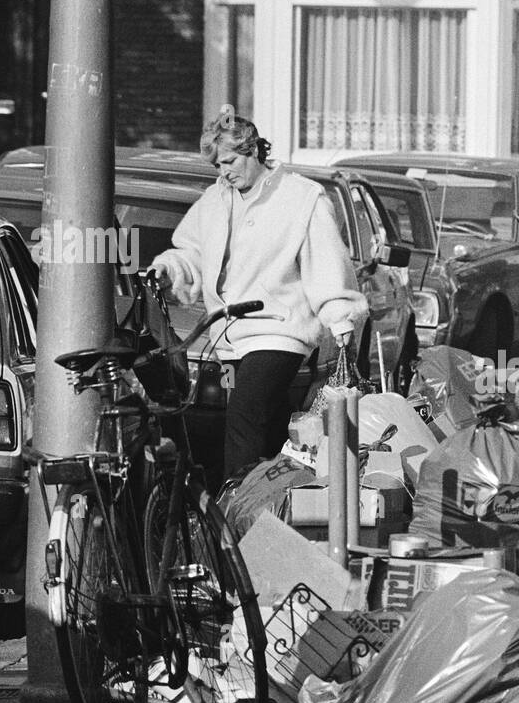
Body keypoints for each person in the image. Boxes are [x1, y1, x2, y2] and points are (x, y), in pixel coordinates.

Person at [152, 110, 367, 479]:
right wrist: (169, 268)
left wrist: (339, 314)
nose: (224, 172)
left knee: (245, 413)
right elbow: (191, 252)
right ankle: (272, 496)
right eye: (218, 165)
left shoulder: (301, 197)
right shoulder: (214, 201)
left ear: (253, 151)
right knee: (253, 420)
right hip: (227, 339)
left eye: (230, 161)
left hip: (279, 332)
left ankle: (237, 507)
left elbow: (327, 260)